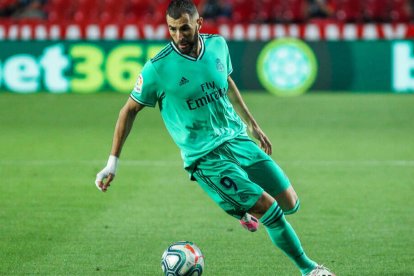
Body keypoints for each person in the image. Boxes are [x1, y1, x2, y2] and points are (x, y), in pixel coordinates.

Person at [95, 0, 335, 275]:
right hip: (204, 156)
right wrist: (112, 161)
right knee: (269, 210)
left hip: (236, 139)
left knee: (289, 202)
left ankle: (237, 207)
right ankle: (310, 269)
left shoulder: (218, 45)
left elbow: (227, 82)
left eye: (184, 28)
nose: (178, 36)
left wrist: (253, 125)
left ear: (198, 24)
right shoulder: (157, 69)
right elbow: (128, 111)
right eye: (172, 29)